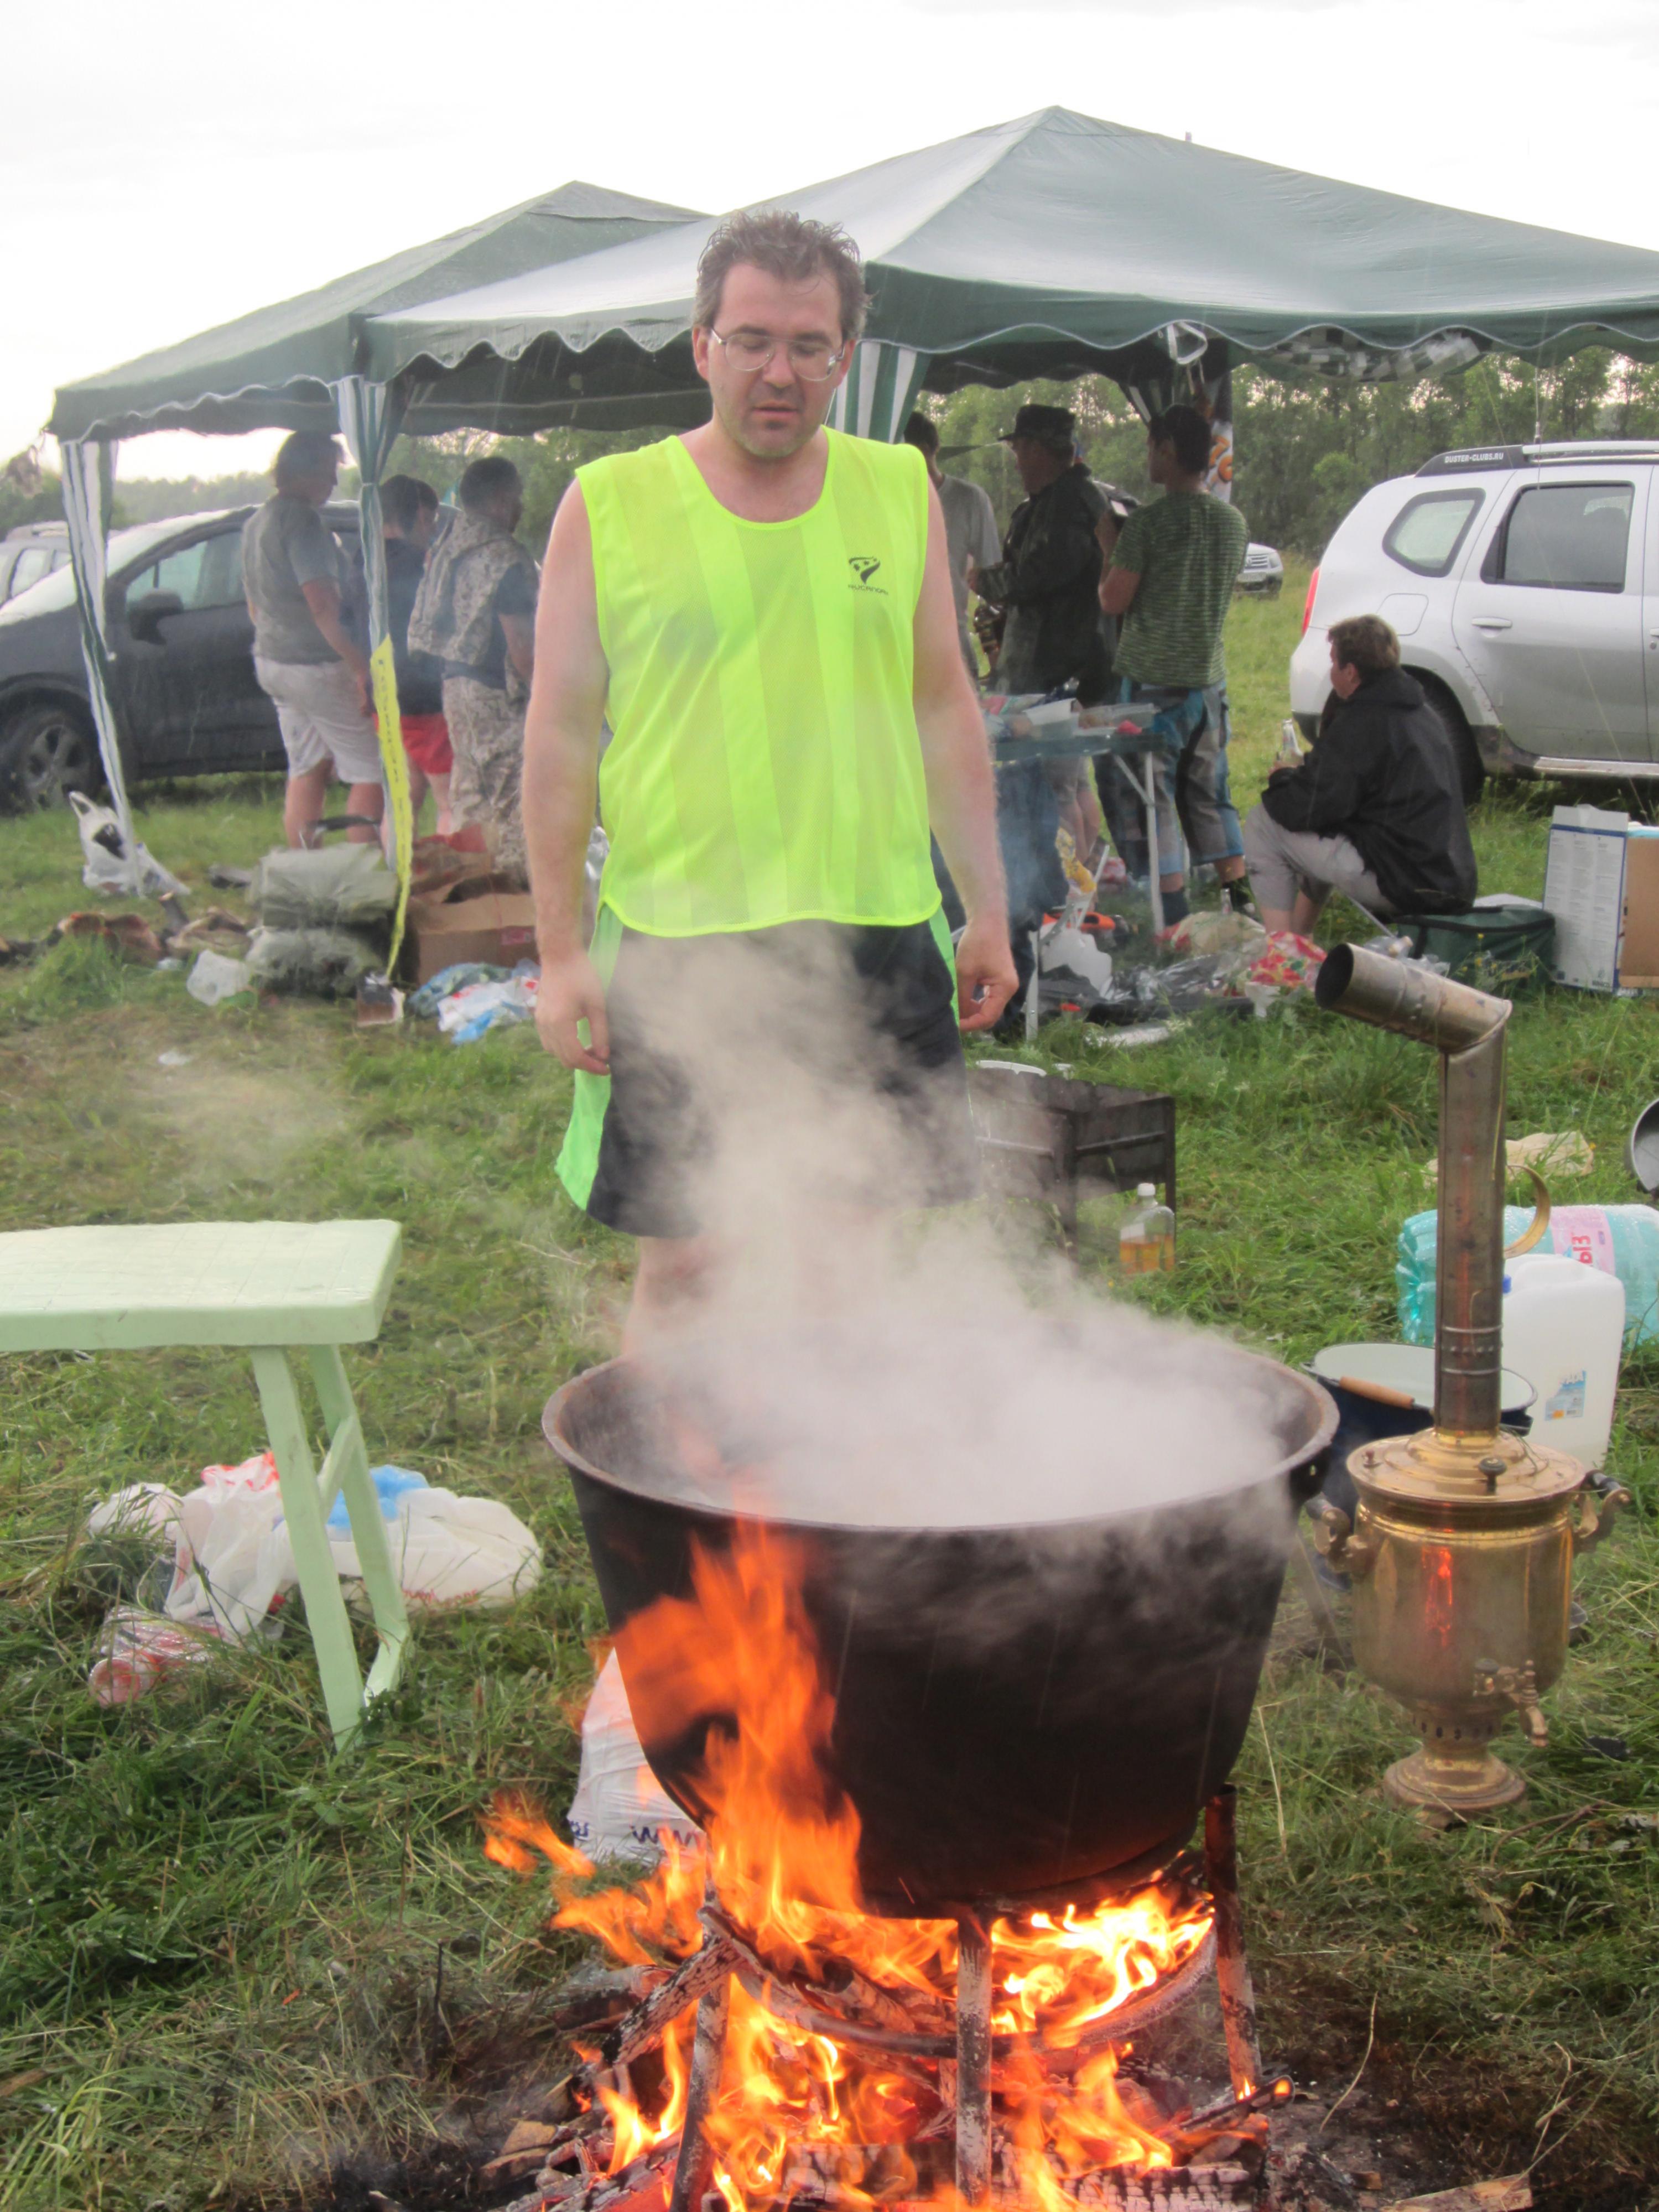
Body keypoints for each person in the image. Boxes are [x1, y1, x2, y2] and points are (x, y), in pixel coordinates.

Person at [522, 209, 1017, 1339]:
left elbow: (941, 704)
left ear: (845, 355)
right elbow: (558, 738)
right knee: (690, 1262)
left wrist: (984, 909)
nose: (778, 372)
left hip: (877, 924)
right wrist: (558, 952)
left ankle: (828, 1456)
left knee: (852, 1253)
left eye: (807, 345)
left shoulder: (896, 487)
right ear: (701, 345)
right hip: (676, 937)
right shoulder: (609, 502)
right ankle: (669, 1461)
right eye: (750, 340)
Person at [1098, 404, 1249, 925]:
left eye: (1149, 448)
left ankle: (1175, 916)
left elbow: (1112, 600)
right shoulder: (1232, 522)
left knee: (1152, 796)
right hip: (1207, 683)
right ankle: (1241, 903)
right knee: (1210, 795)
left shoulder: (1147, 524)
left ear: (1166, 449)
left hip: (1153, 687)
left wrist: (1108, 547)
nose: (1147, 458)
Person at [1243, 615, 1477, 934]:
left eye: (1333, 663)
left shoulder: (1363, 721)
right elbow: (1340, 793)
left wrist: (1283, 778)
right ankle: (1299, 940)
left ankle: (1281, 952)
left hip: (1403, 883)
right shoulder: (1422, 712)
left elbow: (1304, 807)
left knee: (1263, 823)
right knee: (1327, 824)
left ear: (1351, 672)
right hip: (1448, 877)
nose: (1331, 673)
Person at [243, 431, 384, 848]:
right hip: (318, 665)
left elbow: (253, 605)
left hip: (272, 660)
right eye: (328, 471)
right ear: (304, 471)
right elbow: (323, 604)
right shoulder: (303, 523)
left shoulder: (256, 522)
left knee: (308, 768)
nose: (334, 483)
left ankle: (307, 870)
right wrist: (361, 668)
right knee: (372, 769)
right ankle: (362, 868)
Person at [408, 456, 538, 875]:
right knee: (516, 800)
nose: (520, 508)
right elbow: (523, 647)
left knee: (471, 799)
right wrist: (550, 700)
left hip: (456, 691)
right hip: (499, 698)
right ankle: (518, 896)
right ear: (500, 500)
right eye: (517, 498)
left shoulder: (446, 547)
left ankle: (469, 887)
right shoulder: (505, 557)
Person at [901, 412, 998, 678]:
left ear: (923, 451)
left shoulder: (969, 499)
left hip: (952, 648)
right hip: (897, 650)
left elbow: (993, 578)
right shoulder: (884, 500)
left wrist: (994, 649)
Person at [380, 474, 452, 832]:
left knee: (403, 796)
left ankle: (400, 867)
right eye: (432, 519)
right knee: (451, 799)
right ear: (419, 515)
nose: (433, 529)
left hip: (383, 693)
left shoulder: (363, 561)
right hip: (422, 697)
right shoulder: (420, 565)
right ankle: (455, 866)